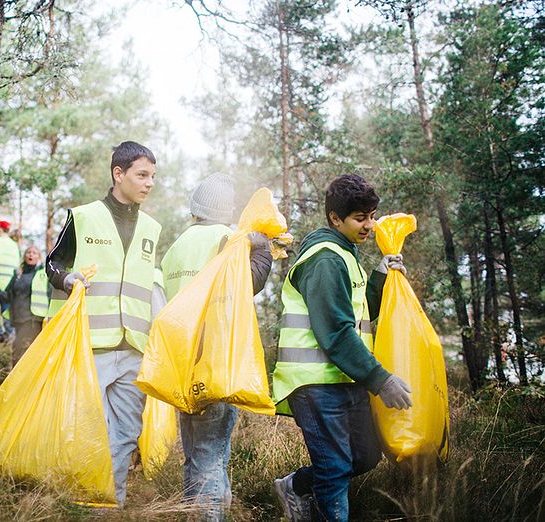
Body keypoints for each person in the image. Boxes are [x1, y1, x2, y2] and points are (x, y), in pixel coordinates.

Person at [272, 174, 412, 522]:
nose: (370, 225)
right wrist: (381, 380)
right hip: (316, 383)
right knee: (334, 470)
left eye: (372, 215)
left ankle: (297, 486)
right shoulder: (325, 259)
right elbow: (335, 331)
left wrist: (381, 275)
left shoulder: (346, 256)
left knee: (365, 456)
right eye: (360, 218)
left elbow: (358, 316)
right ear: (335, 218)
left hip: (345, 379)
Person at [45, 140, 161, 506]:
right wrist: (67, 280)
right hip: (90, 345)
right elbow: (52, 264)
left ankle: (111, 504)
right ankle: (79, 501)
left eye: (153, 177)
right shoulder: (83, 217)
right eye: (142, 175)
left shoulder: (152, 228)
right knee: (84, 430)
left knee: (126, 432)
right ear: (118, 174)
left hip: (134, 348)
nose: (149, 183)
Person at [160, 174, 273, 521]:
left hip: (183, 364)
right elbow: (244, 287)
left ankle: (193, 513)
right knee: (212, 455)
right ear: (228, 211)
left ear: (195, 208)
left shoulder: (176, 246)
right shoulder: (229, 239)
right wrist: (263, 252)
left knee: (196, 454)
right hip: (217, 363)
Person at [0, 245, 50, 367]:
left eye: (34, 253)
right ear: (24, 256)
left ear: (39, 257)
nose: (31, 254)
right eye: (28, 252)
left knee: (20, 355)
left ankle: (20, 383)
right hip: (18, 321)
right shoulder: (18, 274)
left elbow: (50, 295)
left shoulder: (43, 274)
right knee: (19, 354)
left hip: (32, 321)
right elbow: (8, 296)